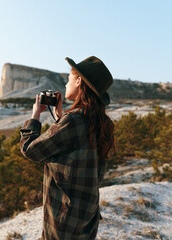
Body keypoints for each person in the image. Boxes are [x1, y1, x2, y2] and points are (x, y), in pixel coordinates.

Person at [20, 56, 115, 239]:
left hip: (64, 219)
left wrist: (35, 117)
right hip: (88, 216)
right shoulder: (104, 123)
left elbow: (30, 150)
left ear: (79, 81)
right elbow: (77, 155)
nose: (66, 84)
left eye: (68, 79)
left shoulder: (72, 121)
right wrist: (60, 119)